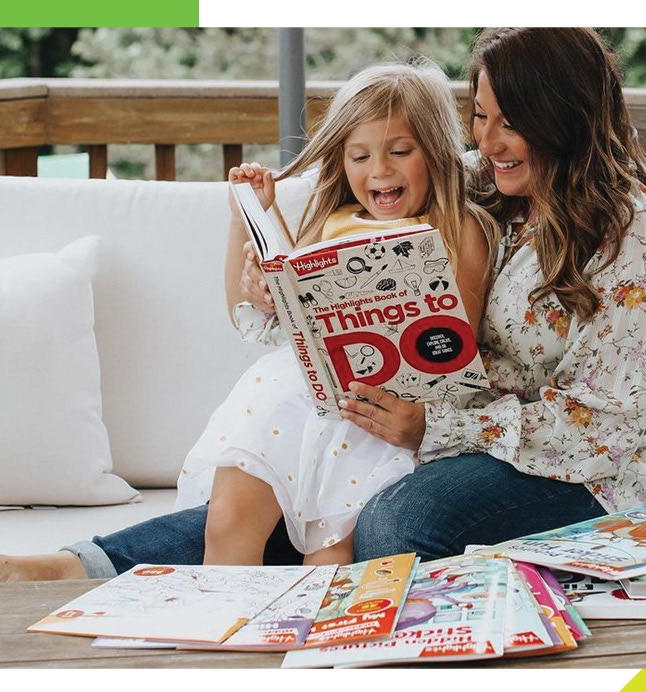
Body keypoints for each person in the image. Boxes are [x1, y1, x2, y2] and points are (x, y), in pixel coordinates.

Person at [0, 28, 646, 583]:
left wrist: (434, 428)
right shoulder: (489, 182)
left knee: (399, 519)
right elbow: (387, 188)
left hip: (591, 470)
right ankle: (76, 568)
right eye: (479, 118)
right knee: (287, 491)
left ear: (563, 117)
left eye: (508, 122)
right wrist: (271, 275)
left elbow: (599, 428)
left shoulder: (635, 246)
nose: (487, 142)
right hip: (453, 426)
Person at [177, 59, 492, 568]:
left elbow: (458, 342)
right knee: (228, 520)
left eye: (399, 152)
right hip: (290, 399)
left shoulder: (458, 226)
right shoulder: (334, 221)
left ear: (435, 152)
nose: (379, 170)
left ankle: (310, 643)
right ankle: (223, 633)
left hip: (374, 416)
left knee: (331, 556)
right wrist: (250, 224)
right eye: (360, 155)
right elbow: (254, 313)